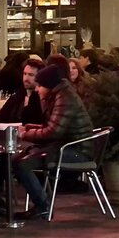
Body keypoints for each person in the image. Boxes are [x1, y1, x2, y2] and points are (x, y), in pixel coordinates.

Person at [13, 65, 94, 219]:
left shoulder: (65, 99)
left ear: (49, 86)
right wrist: (30, 128)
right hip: (66, 146)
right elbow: (53, 126)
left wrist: (25, 135)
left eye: (40, 86)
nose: (37, 90)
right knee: (20, 159)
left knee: (23, 163)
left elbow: (54, 131)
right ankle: (42, 203)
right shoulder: (59, 95)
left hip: (77, 151)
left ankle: (43, 206)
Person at [0, 58, 44, 125]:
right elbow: (0, 117)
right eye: (25, 74)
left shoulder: (42, 99)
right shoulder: (17, 97)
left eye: (31, 75)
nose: (26, 78)